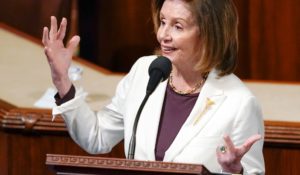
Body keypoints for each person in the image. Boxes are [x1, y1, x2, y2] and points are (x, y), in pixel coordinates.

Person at [42, 0, 265, 174]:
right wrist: (62, 80)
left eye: (177, 26)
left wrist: (235, 171)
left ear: (209, 33)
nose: (163, 35)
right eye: (162, 21)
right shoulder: (145, 71)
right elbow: (97, 138)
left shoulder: (239, 103)